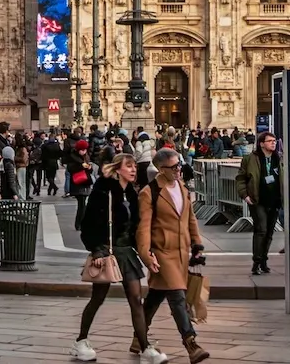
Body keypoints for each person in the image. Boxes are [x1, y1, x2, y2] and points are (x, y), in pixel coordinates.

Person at [73, 156, 154, 363]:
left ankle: (145, 346)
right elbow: (88, 225)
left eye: (135, 166)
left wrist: (146, 252)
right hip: (108, 251)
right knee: (98, 298)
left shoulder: (132, 194)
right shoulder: (103, 191)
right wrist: (97, 251)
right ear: (118, 170)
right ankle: (81, 341)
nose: (134, 170)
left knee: (136, 299)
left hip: (126, 251)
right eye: (129, 166)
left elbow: (135, 228)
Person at [135, 148, 208, 364]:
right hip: (162, 251)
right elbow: (144, 227)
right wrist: (146, 254)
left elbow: (191, 218)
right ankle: (191, 343)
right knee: (177, 296)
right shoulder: (150, 192)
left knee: (156, 296)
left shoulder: (182, 187)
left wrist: (197, 243)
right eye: (174, 167)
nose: (179, 170)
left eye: (180, 165)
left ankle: (137, 336)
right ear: (160, 168)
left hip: (181, 251)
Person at [233, 130, 283, 275]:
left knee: (269, 232)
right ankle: (256, 261)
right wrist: (245, 195)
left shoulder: (278, 158)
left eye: (274, 141)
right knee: (261, 230)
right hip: (257, 199)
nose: (273, 143)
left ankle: (264, 261)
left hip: (274, 200)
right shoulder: (250, 159)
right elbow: (241, 178)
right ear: (262, 144)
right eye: (270, 141)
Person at [40, 131, 64, 196]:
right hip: (54, 162)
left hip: (47, 162)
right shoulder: (57, 145)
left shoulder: (45, 145)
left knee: (48, 177)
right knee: (52, 177)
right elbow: (60, 153)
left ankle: (54, 187)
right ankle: (50, 190)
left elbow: (42, 155)